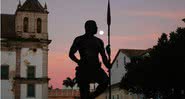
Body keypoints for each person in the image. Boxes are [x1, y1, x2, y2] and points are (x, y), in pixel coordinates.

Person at [69, 20, 111, 99]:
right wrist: (78, 61)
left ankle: (91, 97)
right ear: (88, 28)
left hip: (96, 69)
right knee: (84, 93)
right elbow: (71, 54)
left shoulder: (99, 41)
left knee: (105, 81)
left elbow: (107, 64)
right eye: (95, 26)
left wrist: (108, 53)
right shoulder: (79, 39)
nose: (97, 28)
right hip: (84, 69)